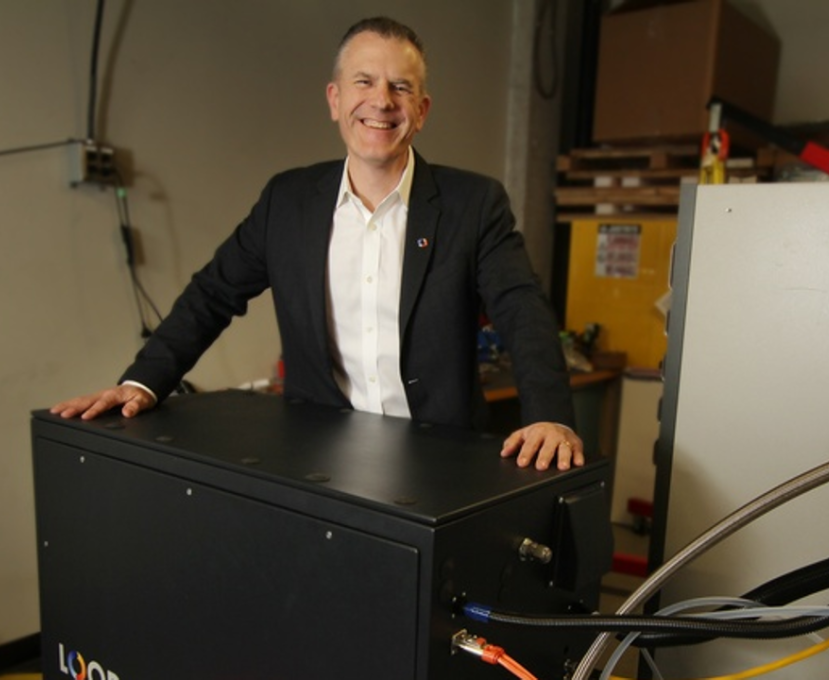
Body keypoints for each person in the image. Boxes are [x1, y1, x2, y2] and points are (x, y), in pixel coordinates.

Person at [51, 16, 584, 471]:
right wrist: (142, 382)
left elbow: (521, 309)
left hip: (440, 460)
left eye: (400, 87)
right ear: (335, 99)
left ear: (421, 110)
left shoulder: (475, 204)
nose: (381, 101)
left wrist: (549, 415)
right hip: (321, 461)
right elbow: (213, 293)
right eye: (364, 82)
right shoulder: (288, 200)